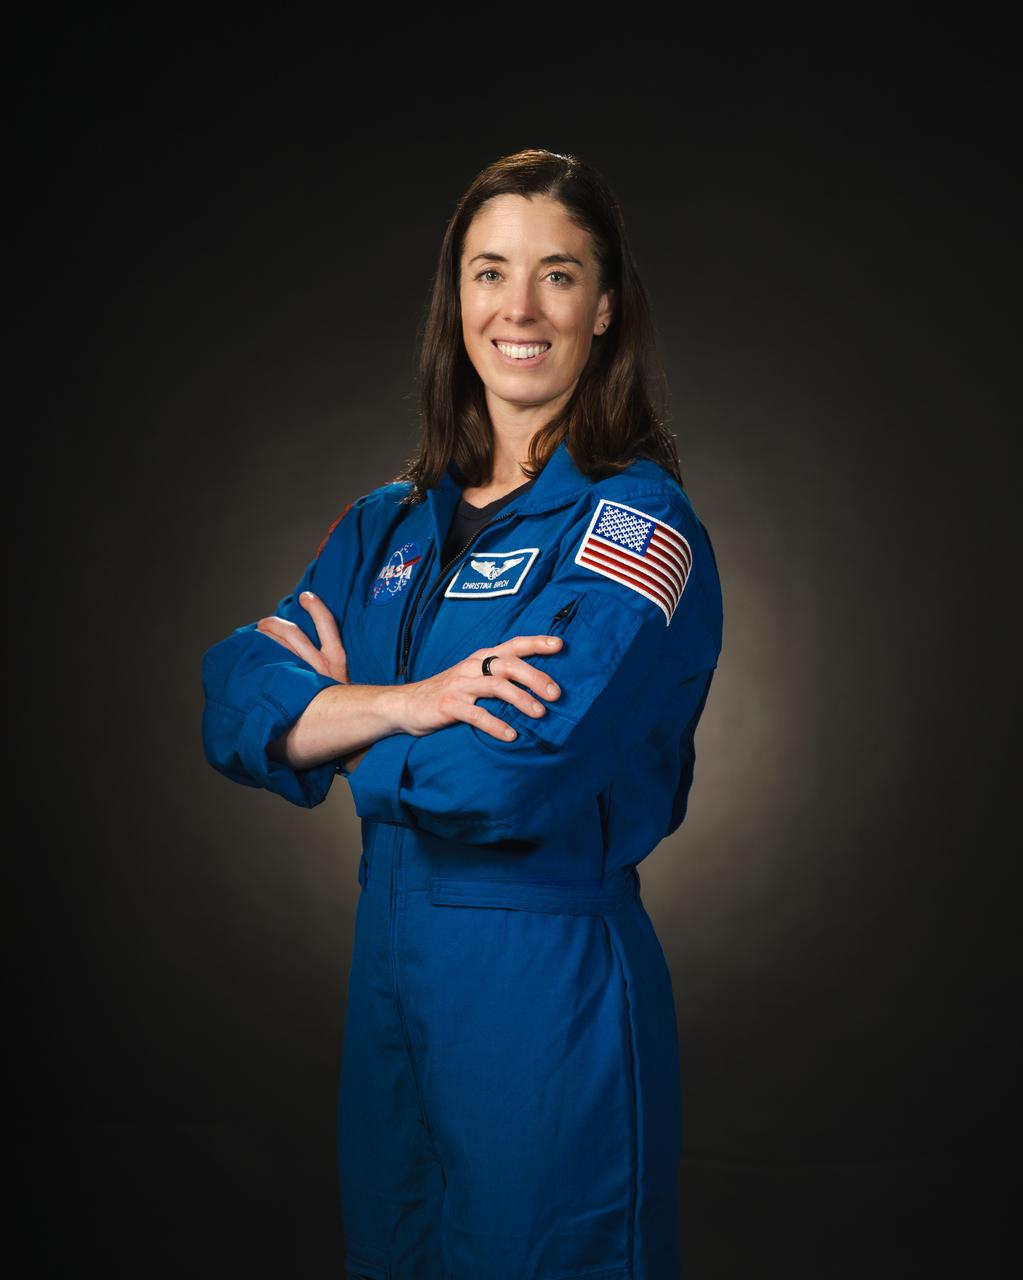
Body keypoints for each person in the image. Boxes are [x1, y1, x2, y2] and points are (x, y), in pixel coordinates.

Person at [201, 147, 723, 1280]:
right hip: (390, 976)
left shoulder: (635, 527)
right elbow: (234, 699)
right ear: (459, 297)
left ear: (604, 307)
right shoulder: (386, 524)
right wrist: (412, 704)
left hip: (539, 987)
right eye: (490, 272)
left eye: (557, 274)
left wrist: (338, 723)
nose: (517, 308)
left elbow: (511, 772)